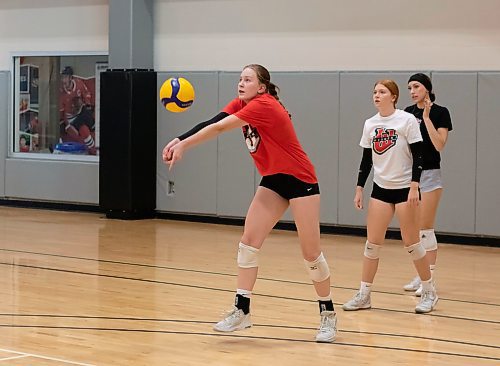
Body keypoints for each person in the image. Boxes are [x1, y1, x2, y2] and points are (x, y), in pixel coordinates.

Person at [162, 64, 337, 343]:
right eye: (239, 79)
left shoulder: (264, 106)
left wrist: (184, 146)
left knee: (311, 255)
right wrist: (179, 139)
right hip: (274, 180)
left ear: (262, 87)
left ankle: (328, 315)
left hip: (301, 180)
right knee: (248, 243)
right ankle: (242, 311)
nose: (241, 84)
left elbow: (220, 128)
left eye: (247, 79)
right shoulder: (242, 103)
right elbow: (213, 120)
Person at [342, 79, 438, 314]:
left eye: (382, 92)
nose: (376, 95)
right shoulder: (370, 124)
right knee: (372, 245)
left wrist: (415, 185)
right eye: (374, 92)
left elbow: (419, 156)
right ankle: (364, 294)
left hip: (405, 189)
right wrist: (358, 187)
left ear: (393, 96)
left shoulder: (406, 120)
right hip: (380, 189)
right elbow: (366, 159)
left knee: (412, 243)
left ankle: (429, 291)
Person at [402, 73, 452, 296]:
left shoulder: (441, 112)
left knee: (425, 229)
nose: (412, 91)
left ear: (427, 89)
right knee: (413, 230)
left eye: (417, 86)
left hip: (430, 175)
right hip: (410, 176)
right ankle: (421, 275)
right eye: (410, 87)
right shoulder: (407, 113)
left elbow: (440, 144)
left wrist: (427, 117)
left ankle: (429, 279)